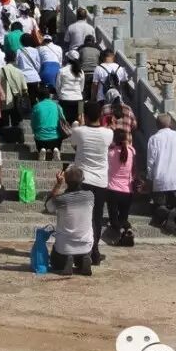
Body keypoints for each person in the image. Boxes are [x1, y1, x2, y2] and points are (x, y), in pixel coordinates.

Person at [69, 102, 114, 266]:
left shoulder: (78, 131)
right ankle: (94, 251)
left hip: (82, 180)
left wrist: (79, 123)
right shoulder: (108, 134)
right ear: (101, 116)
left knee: (80, 217)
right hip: (100, 181)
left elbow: (74, 145)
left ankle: (79, 251)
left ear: (84, 116)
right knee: (96, 218)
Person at [44, 166, 95, 276]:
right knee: (82, 252)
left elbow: (48, 207)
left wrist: (58, 184)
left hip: (65, 246)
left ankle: (67, 260)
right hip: (86, 244)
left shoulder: (61, 199)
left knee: (55, 262)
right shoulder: (90, 196)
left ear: (66, 181)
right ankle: (84, 259)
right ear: (82, 179)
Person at [106, 126, 138, 242]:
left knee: (113, 218)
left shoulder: (110, 152)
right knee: (123, 217)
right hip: (127, 190)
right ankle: (127, 229)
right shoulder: (131, 151)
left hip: (112, 189)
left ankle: (118, 232)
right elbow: (134, 170)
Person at [30, 84, 69, 161]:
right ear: (50, 96)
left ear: (37, 98)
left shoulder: (36, 107)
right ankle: (56, 149)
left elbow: (33, 124)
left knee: (38, 136)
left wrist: (35, 131)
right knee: (57, 137)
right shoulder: (56, 106)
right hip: (55, 138)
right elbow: (63, 119)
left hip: (40, 138)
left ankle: (42, 149)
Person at [0, 49, 29, 134]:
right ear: (15, 59)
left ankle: (5, 138)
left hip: (3, 101)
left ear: (5, 59)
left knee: (4, 122)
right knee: (16, 122)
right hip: (16, 101)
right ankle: (16, 138)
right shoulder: (19, 72)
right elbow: (24, 88)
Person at [55, 57, 85, 125]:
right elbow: (82, 88)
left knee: (65, 121)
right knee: (80, 120)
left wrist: (60, 95)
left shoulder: (61, 70)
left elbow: (58, 86)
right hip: (79, 100)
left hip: (65, 99)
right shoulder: (81, 71)